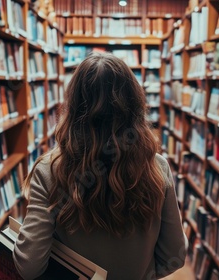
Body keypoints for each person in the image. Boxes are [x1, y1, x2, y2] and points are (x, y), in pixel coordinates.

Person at [13, 52, 186, 280]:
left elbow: (29, 267)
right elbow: (175, 254)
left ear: (73, 106)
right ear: (134, 105)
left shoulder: (49, 171)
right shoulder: (156, 167)